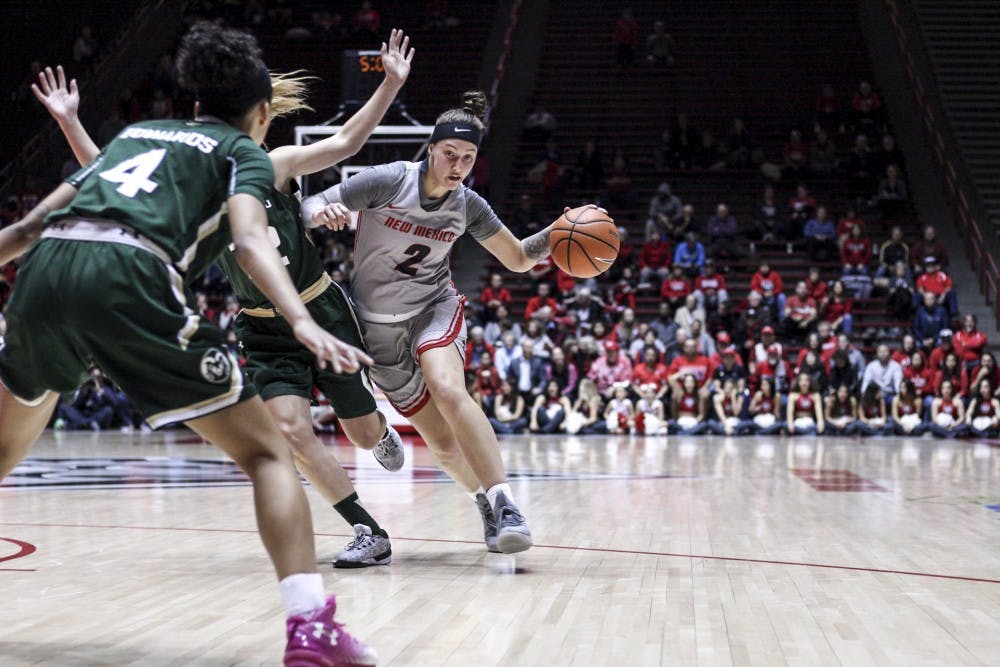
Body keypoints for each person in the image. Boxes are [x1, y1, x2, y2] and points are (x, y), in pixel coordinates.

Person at [1, 23, 376, 665]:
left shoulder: (134, 134)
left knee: (1, 449)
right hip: (128, 277)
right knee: (267, 455)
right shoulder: (244, 152)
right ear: (262, 113)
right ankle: (311, 626)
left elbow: (36, 224)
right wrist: (302, 319)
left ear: (195, 101)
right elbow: (253, 239)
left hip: (46, 274)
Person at [36, 31, 417, 569]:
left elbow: (345, 144)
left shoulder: (277, 163)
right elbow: (110, 177)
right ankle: (367, 529)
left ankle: (375, 432)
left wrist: (390, 86)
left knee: (361, 430)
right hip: (263, 328)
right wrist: (69, 121)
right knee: (291, 431)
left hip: (320, 309)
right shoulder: (202, 181)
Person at [301, 90, 591, 554]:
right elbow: (309, 206)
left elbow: (516, 258)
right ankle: (483, 503)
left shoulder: (469, 205)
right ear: (431, 149)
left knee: (450, 389)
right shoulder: (388, 181)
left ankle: (507, 503)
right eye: (450, 154)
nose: (457, 165)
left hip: (433, 308)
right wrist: (325, 211)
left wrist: (557, 234)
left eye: (468, 158)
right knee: (440, 443)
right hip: (376, 329)